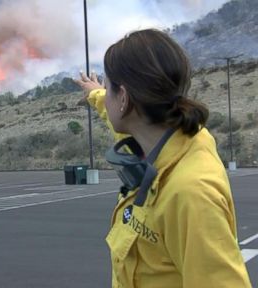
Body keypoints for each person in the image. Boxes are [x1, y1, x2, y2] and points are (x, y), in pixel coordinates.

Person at [75, 29, 252, 288]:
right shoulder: (156, 137)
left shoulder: (190, 192)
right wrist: (95, 94)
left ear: (123, 98)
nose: (106, 95)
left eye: (109, 88)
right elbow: (113, 113)